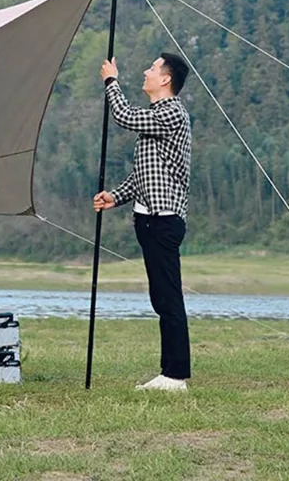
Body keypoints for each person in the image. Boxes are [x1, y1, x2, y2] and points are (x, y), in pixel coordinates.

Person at [93, 53, 192, 392]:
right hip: (148, 219)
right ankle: (170, 372)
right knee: (161, 297)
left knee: (168, 298)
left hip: (163, 220)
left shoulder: (170, 112)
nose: (146, 72)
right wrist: (115, 196)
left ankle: (175, 376)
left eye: (152, 68)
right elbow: (142, 176)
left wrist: (111, 81)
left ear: (166, 79)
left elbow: (123, 115)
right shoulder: (156, 117)